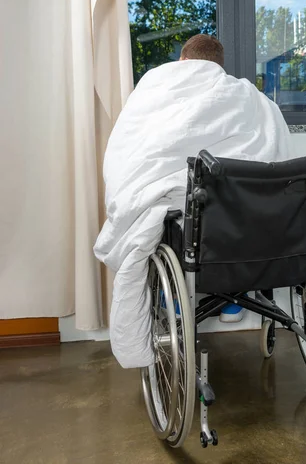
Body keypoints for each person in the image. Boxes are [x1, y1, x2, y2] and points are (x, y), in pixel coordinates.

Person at [94, 34, 291, 368]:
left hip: (194, 224)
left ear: (183, 61)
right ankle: (234, 297)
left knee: (171, 205)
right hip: (253, 222)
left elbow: (130, 154)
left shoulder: (157, 88)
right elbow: (278, 154)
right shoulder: (250, 97)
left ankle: (170, 294)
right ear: (218, 66)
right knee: (225, 201)